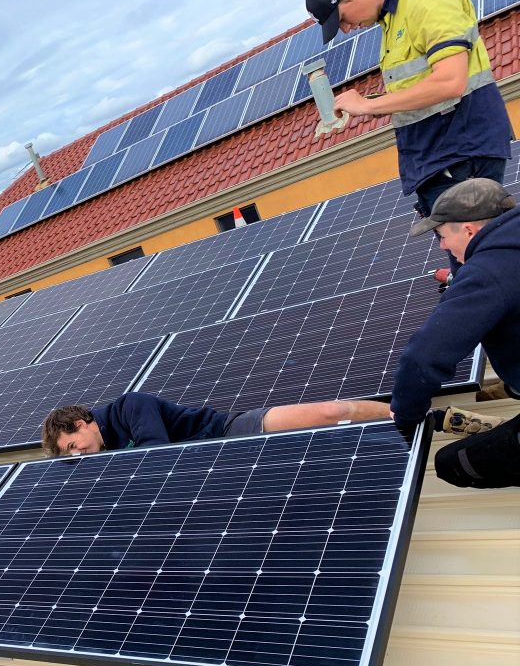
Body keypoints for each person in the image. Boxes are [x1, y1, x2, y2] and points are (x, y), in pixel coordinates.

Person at [306, 0, 512, 274]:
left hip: (459, 153)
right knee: (469, 262)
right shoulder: (393, 17)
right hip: (440, 157)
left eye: (341, 18)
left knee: (481, 265)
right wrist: (371, 103)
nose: (345, 29)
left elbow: (450, 81)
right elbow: (421, 89)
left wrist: (368, 106)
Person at [390, 178, 520, 487]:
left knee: (453, 463)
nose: (442, 246)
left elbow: (423, 358)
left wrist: (405, 417)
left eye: (442, 236)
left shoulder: (487, 274)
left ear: (469, 230)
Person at [41, 392, 391, 456]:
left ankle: (398, 413)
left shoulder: (130, 406)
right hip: (211, 465)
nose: (77, 455)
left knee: (328, 414)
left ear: (81, 423)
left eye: (72, 446)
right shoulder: (103, 453)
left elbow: (154, 454)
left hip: (224, 432)